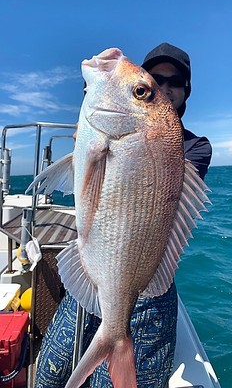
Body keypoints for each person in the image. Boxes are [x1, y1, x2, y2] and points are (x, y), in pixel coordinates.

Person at [34, 43, 212, 388]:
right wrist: (88, 135)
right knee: (49, 372)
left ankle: (117, 338)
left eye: (173, 81)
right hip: (95, 269)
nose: (164, 86)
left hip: (143, 286)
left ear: (186, 90)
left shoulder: (194, 146)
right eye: (153, 80)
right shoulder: (120, 126)